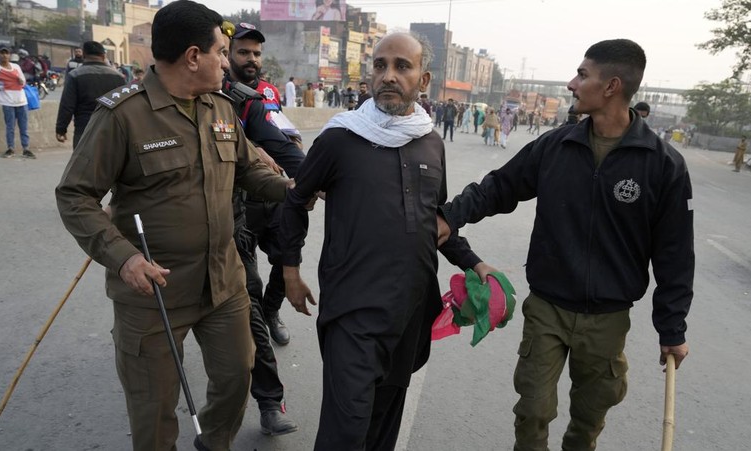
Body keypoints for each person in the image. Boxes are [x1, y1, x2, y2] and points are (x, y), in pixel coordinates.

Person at [54, 2, 292, 450]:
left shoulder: (220, 108)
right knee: (154, 408)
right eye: (222, 52)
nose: (228, 61)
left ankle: (213, 442)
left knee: (238, 375)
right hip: (153, 293)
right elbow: (74, 195)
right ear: (192, 56)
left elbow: (247, 171)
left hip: (223, 283)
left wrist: (293, 190)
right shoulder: (122, 115)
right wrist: (124, 259)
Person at [437, 39, 693, 451]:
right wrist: (449, 217)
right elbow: (500, 187)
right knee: (533, 409)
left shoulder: (662, 164)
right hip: (549, 308)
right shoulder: (556, 145)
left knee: (589, 418)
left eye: (582, 75)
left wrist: (672, 327)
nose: (572, 84)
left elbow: (675, 254)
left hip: (608, 318)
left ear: (610, 86)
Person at [279, 31, 488, 451]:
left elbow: (435, 219)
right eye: (379, 65)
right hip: (352, 310)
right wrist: (289, 271)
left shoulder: (430, 142)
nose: (388, 76)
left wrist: (474, 263)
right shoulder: (340, 138)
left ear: (423, 80)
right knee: (347, 430)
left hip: (409, 310)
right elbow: (294, 201)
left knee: (383, 420)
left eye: (401, 66)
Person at [221, 20, 302, 435]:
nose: (251, 61)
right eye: (241, 53)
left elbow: (282, 137)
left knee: (286, 262)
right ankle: (267, 402)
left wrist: (310, 177)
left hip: (263, 204)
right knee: (243, 311)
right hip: (219, 224)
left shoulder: (257, 97)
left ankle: (273, 313)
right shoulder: (206, 97)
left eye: (256, 54)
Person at [55, 41, 126, 149]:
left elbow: (67, 105)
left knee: (83, 163)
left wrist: (61, 128)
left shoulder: (75, 75)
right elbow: (126, 106)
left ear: (84, 56)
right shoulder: (118, 77)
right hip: (112, 130)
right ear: (103, 56)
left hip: (84, 129)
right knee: (113, 165)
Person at [0, 45, 33, 159]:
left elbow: (23, 83)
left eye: (6, 53)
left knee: (24, 127)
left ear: (10, 55)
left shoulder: (16, 67)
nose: (4, 55)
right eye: (2, 53)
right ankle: (10, 148)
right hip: (7, 102)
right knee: (10, 127)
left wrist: (20, 80)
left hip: (21, 101)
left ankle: (26, 148)